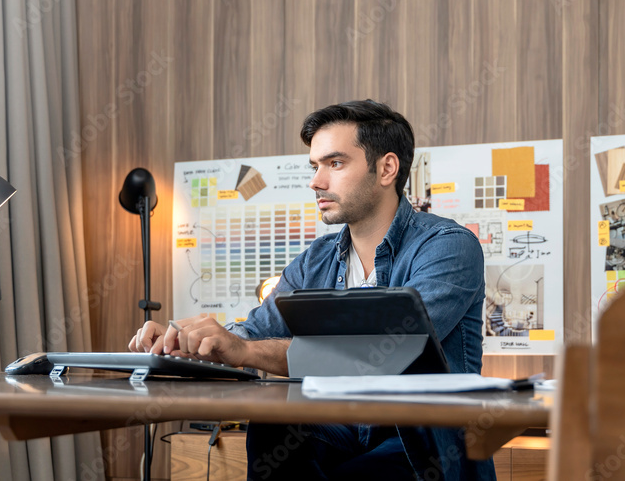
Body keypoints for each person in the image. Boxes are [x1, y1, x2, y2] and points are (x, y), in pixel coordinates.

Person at [129, 100, 494, 481]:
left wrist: (247, 351)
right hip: (347, 428)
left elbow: (385, 349)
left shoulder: (448, 245)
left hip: (426, 442)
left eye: (334, 164)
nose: (316, 181)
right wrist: (188, 343)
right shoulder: (315, 260)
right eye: (315, 166)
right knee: (275, 426)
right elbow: (253, 331)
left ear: (387, 168)